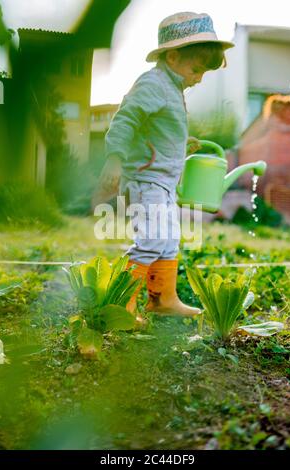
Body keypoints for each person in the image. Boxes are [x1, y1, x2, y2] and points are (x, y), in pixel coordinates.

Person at [94, 12, 234, 318]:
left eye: (203, 74)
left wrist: (181, 145)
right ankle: (121, 304)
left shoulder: (171, 87)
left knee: (169, 240)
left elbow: (154, 133)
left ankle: (162, 299)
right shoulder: (154, 83)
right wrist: (115, 159)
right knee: (153, 238)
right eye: (196, 69)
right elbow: (126, 120)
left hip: (162, 183)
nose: (198, 78)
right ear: (172, 57)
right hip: (146, 181)